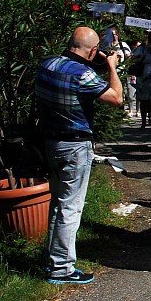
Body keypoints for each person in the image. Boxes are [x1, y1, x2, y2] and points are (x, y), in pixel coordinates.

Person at [35, 27, 124, 284]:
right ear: (93, 50)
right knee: (70, 207)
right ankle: (62, 268)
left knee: (58, 202)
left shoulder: (48, 64)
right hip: (75, 145)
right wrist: (112, 67)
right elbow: (117, 98)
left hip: (50, 141)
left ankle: (52, 259)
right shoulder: (83, 74)